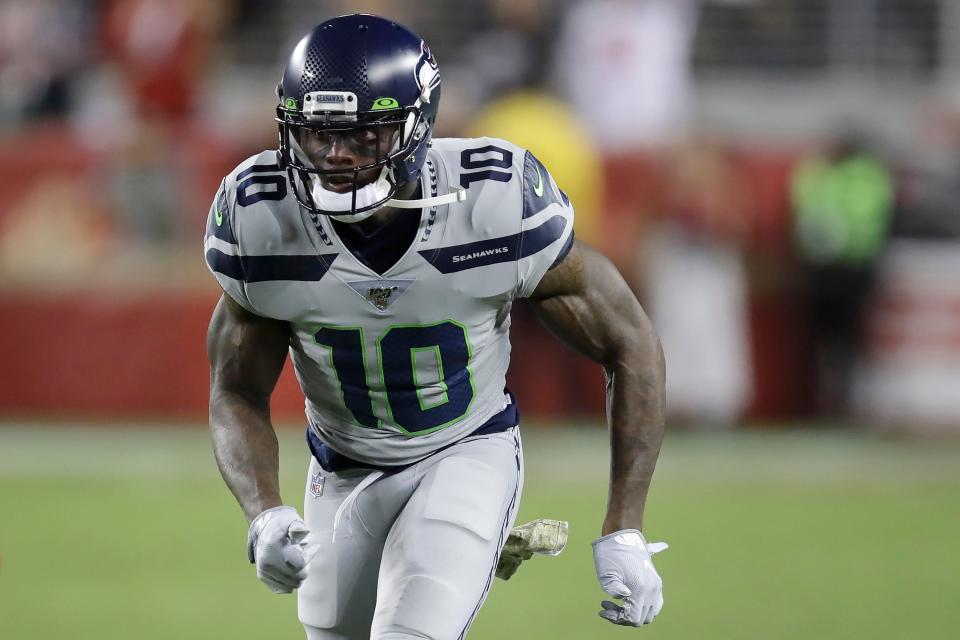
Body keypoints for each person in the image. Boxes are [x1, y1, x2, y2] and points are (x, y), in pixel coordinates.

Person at [204, 14, 666, 639]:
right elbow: (235, 387)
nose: (337, 157)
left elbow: (628, 339)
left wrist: (625, 527)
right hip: (340, 468)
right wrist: (262, 513)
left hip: (466, 450)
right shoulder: (260, 221)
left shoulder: (493, 204)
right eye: (318, 135)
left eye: (364, 136)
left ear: (415, 128)